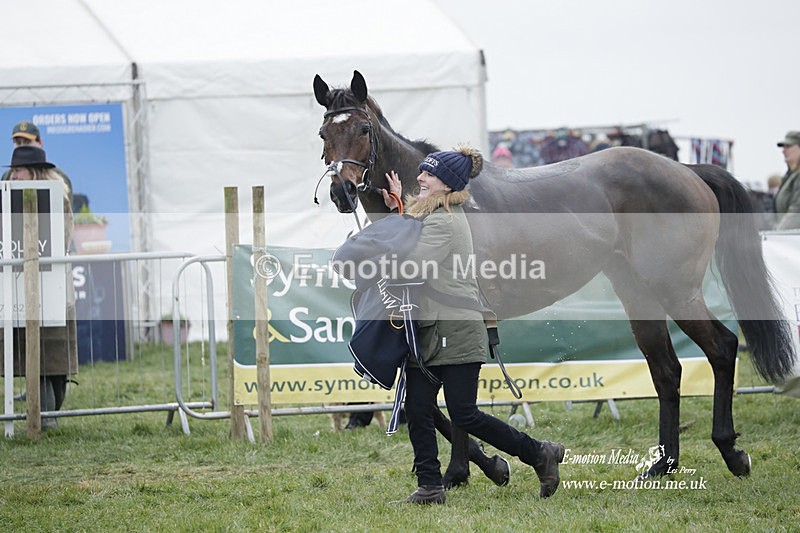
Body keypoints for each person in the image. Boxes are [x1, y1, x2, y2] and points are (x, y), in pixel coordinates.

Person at [380, 146, 565, 504]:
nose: (420, 177)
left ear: (447, 184)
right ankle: (430, 486)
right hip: (433, 330)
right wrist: (398, 207)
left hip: (455, 331)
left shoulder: (443, 221)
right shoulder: (436, 214)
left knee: (464, 413)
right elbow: (411, 236)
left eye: (428, 174)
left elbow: (409, 265)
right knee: (417, 407)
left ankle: (539, 452)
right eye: (422, 172)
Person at [0, 145, 78, 429]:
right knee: (36, 355)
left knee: (55, 356)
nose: (14, 175)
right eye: (13, 170)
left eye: (19, 170)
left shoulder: (58, 199)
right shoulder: (8, 198)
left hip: (53, 286)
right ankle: (45, 417)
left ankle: (49, 414)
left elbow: (61, 239)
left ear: (34, 172)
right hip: (23, 287)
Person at [2, 121, 74, 205]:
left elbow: (66, 210)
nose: (22, 146)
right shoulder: (7, 177)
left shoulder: (59, 178)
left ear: (40, 142)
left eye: (27, 142)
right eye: (18, 143)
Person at [774, 131, 800, 230]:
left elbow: (796, 211)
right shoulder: (790, 176)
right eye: (783, 147)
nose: (783, 151)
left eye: (788, 146)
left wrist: (777, 234)